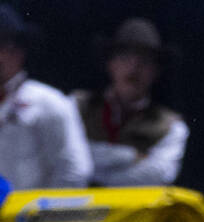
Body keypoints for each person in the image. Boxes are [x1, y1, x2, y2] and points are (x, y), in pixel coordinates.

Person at [72, 18, 188, 187]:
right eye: (125, 57)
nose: (134, 67)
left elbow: (157, 176)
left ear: (156, 71)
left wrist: (93, 174)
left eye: (145, 60)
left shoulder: (171, 126)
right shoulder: (75, 106)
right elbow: (66, 157)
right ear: (110, 64)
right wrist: (130, 156)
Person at [0, 4, 91, 189]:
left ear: (19, 52)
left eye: (2, 46)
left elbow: (74, 172)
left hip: (29, 215)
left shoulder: (48, 103)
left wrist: (42, 213)